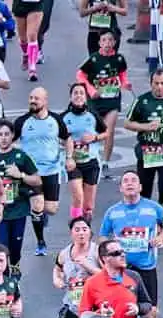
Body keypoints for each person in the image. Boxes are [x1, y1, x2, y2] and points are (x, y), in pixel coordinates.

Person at [98, 170, 163, 313]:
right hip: (122, 267)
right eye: (125, 181)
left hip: (146, 265)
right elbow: (103, 236)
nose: (129, 183)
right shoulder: (112, 212)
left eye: (133, 180)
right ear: (120, 188)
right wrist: (107, 253)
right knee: (122, 308)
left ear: (140, 187)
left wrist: (160, 238)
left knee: (150, 313)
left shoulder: (154, 208)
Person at [123, 69, 163, 221]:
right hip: (147, 150)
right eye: (156, 83)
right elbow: (127, 123)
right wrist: (145, 127)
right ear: (150, 84)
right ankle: (143, 216)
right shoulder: (142, 101)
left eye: (162, 84)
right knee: (145, 187)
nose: (159, 87)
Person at [14, 87, 71, 256]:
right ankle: (41, 242)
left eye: (36, 98)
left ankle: (41, 214)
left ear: (45, 101)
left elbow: (67, 139)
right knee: (37, 205)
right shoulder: (22, 122)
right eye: (31, 97)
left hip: (52, 170)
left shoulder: (56, 120)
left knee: (51, 209)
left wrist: (69, 157)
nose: (33, 101)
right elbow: (9, 141)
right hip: (31, 173)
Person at [0, 120, 42, 271]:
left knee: (15, 247)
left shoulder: (21, 156)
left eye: (7, 134)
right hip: (0, 211)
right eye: (0, 134)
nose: (4, 138)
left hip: (18, 209)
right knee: (1, 246)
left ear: (12, 136)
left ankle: (15, 269)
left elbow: (37, 180)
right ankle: (3, 276)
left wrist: (21, 175)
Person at [76, 30, 129, 176]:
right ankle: (89, 158)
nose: (107, 43)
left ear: (114, 43)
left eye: (110, 40)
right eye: (104, 40)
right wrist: (91, 89)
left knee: (109, 130)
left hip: (112, 100)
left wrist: (125, 84)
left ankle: (105, 161)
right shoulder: (93, 59)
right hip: (95, 101)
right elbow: (80, 75)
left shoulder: (119, 59)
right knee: (92, 130)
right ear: (99, 43)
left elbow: (122, 75)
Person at [61, 83, 108, 219]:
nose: (78, 96)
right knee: (77, 196)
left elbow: (106, 133)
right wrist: (64, 141)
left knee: (88, 205)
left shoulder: (92, 115)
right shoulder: (63, 117)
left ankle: (85, 228)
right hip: (73, 163)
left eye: (81, 93)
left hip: (91, 162)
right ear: (71, 97)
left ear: (86, 98)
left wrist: (95, 137)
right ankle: (76, 225)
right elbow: (55, 136)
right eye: (75, 93)